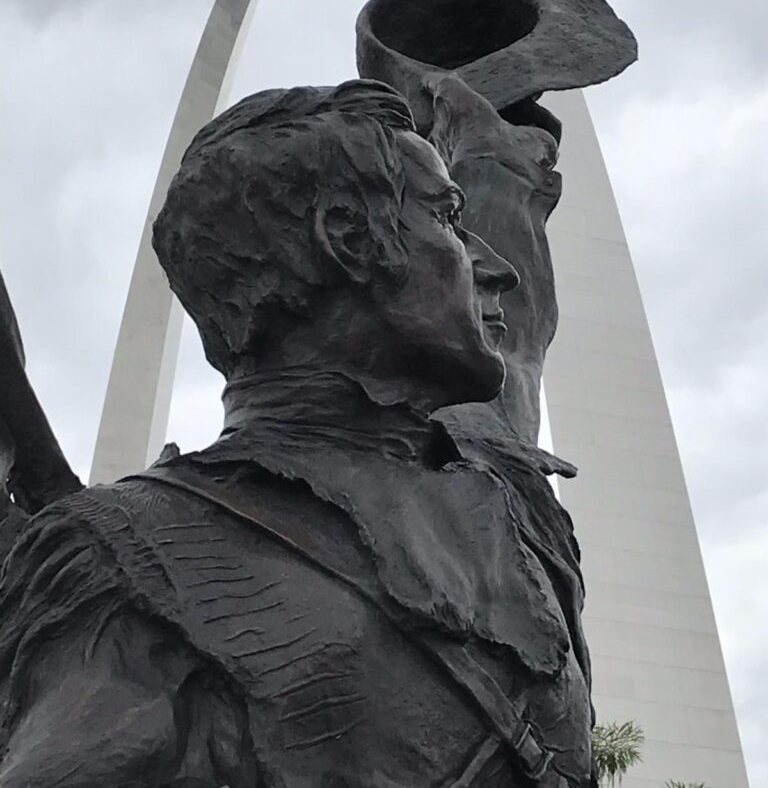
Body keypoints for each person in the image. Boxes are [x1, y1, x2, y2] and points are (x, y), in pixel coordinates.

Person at [0, 78, 593, 787]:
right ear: (345, 238)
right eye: (449, 220)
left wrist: (496, 152)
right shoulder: (132, 566)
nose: (493, 268)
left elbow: (521, 345)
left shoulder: (512, 495)